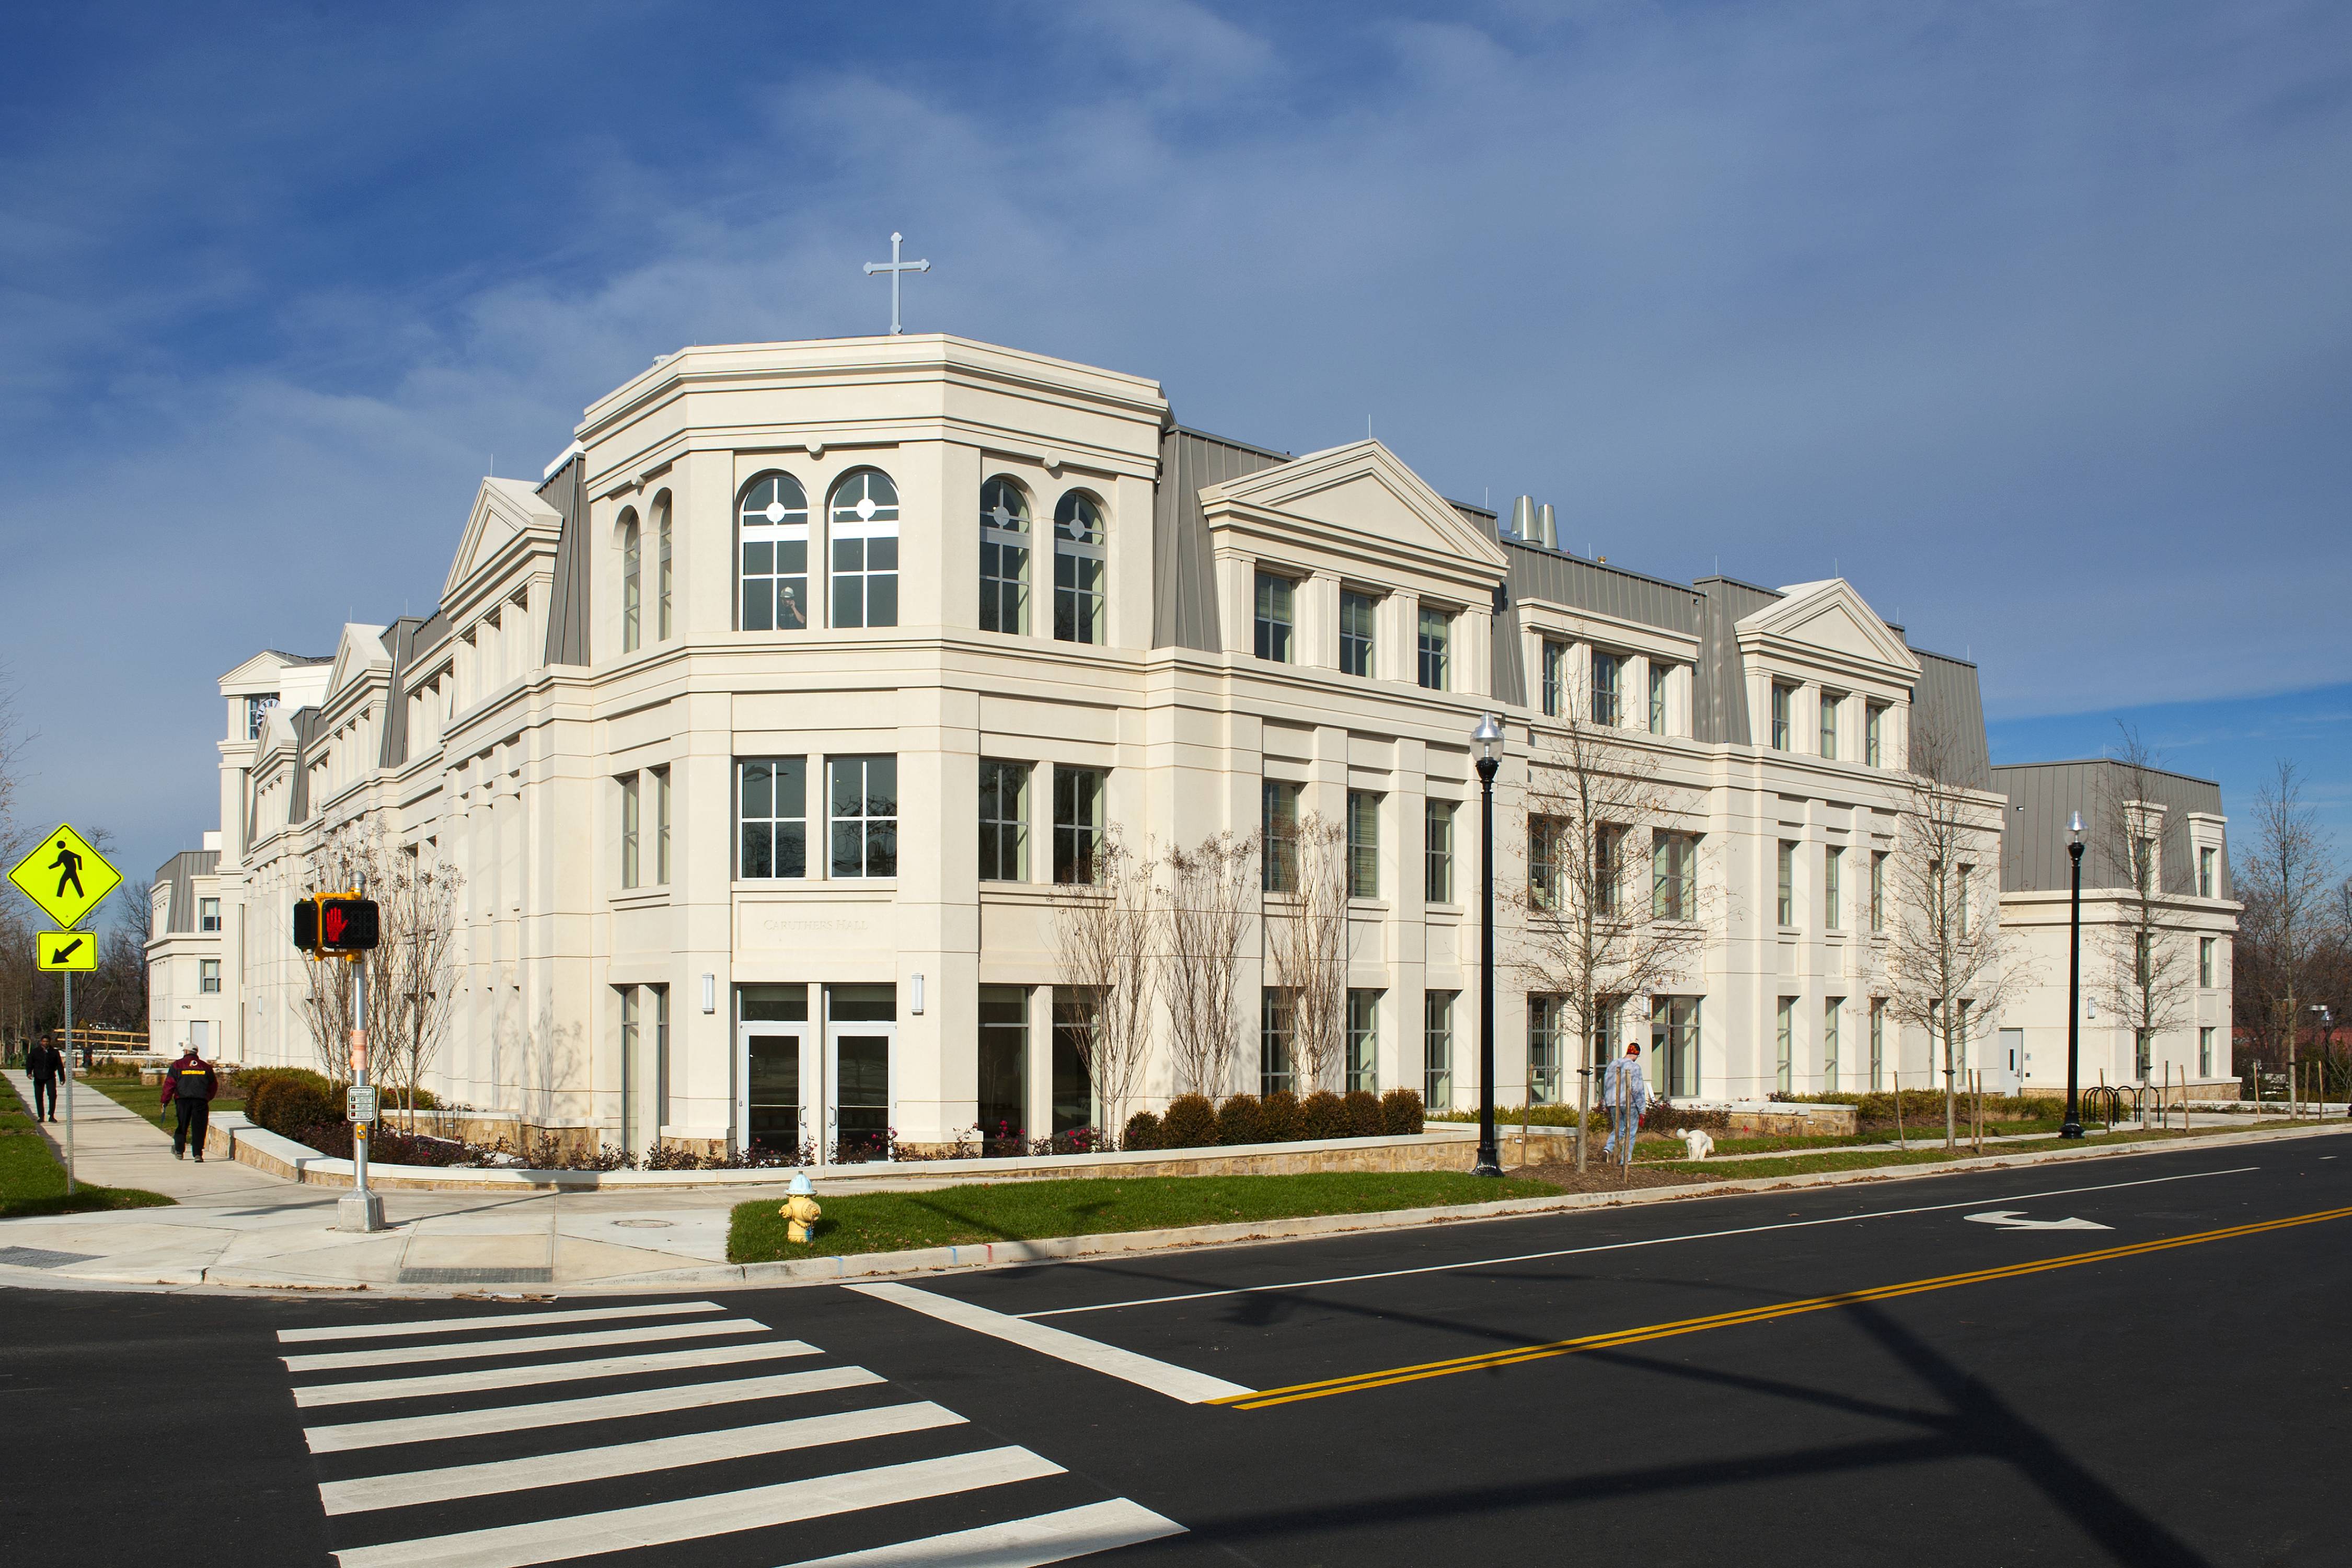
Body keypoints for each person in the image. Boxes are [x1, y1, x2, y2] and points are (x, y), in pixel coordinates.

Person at [162, 1042, 217, 1161]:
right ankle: (198, 1154)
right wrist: (207, 1098)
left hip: (183, 1100)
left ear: (186, 1052)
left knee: (182, 1125)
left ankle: (179, 1151)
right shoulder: (206, 1067)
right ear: (196, 1053)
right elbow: (213, 1086)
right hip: (200, 1101)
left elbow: (170, 1084)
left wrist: (165, 1100)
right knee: (199, 1127)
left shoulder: (177, 1065)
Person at [1601, 1041, 1648, 1166]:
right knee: (1630, 1132)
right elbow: (1637, 1089)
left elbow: (1607, 1085)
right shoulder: (1635, 1067)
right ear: (1637, 1054)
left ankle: (1608, 1148)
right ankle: (1625, 1160)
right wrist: (1642, 1110)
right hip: (1629, 1104)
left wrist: (1606, 1103)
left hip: (1613, 1102)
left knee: (1618, 1129)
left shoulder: (1613, 1065)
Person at [26, 1039, 64, 1122]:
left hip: (50, 1076)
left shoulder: (54, 1052)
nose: (45, 1043)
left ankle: (51, 1115)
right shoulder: (35, 1052)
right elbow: (29, 1063)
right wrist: (29, 1073)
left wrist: (62, 1078)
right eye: (44, 1042)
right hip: (38, 1077)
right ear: (41, 1042)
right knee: (39, 1096)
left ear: (50, 1042)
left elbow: (59, 1065)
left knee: (52, 1095)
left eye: (47, 1042)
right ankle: (41, 1116)